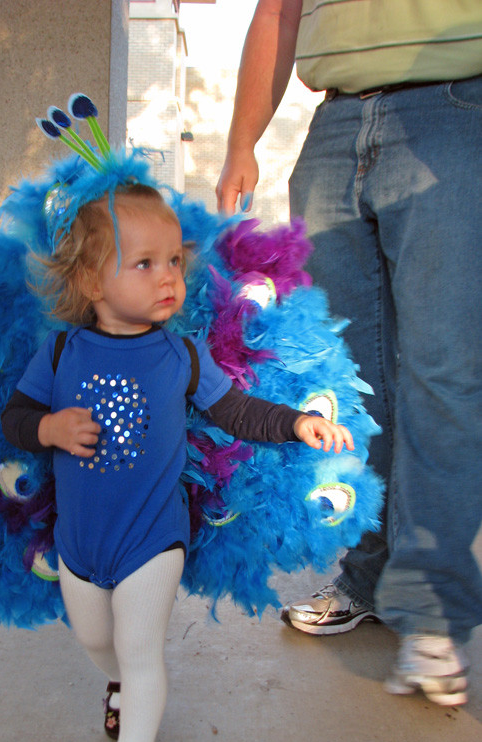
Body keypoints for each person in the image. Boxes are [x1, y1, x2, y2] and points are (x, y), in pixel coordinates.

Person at [1, 182, 354, 742]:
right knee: (93, 636)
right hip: (79, 542)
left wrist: (297, 421)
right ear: (89, 281)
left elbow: (236, 409)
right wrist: (48, 429)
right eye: (144, 264)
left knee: (140, 649)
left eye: (173, 262)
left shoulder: (180, 355)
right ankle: (117, 686)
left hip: (151, 540)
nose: (167, 278)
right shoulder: (59, 352)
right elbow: (16, 417)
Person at [216, 0, 482, 706]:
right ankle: (369, 575)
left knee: (442, 372)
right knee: (349, 382)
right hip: (332, 127)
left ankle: (430, 613)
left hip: (455, 111)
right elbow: (277, 10)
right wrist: (242, 143)